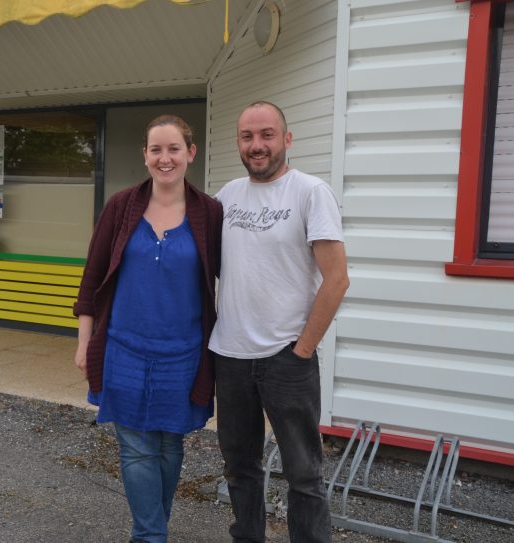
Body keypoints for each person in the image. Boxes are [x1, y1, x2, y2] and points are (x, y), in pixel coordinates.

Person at [73, 115, 222, 543]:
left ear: (190, 153)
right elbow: (93, 276)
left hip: (184, 353)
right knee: (136, 448)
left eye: (173, 149)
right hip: (124, 349)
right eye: (156, 150)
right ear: (145, 155)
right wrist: (85, 342)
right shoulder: (121, 207)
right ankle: (150, 536)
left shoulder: (209, 213)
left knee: (169, 446)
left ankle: (154, 528)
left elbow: (235, 273)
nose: (165, 158)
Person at [209, 101, 349, 543]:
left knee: (304, 474)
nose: (257, 145)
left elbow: (337, 279)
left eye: (267, 135)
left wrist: (303, 349)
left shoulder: (309, 192)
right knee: (239, 467)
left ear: (287, 139)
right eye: (248, 137)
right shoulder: (226, 197)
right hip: (230, 356)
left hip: (286, 357)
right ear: (238, 143)